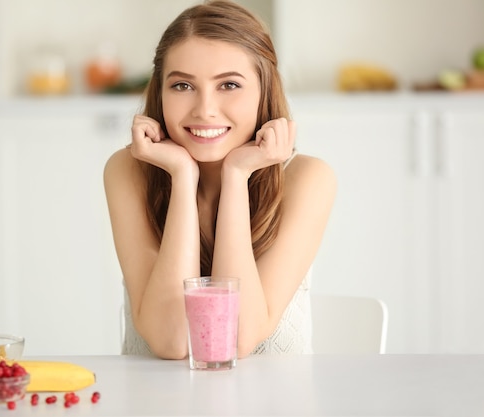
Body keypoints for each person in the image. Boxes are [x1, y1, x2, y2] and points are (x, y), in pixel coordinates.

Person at [104, 0, 336, 359]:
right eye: (182, 86)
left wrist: (237, 175)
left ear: (264, 90)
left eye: (228, 85)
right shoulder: (129, 170)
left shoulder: (307, 179)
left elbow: (236, 339)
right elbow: (172, 340)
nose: (205, 109)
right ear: (160, 92)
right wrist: (182, 177)